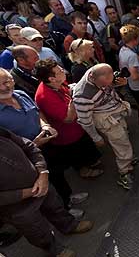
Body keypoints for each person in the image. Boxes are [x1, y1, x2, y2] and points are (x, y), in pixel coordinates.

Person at [0, 127, 93, 257]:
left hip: (41, 183)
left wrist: (43, 172)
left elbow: (29, 146)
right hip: (16, 207)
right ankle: (55, 249)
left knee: (56, 207)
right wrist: (27, 193)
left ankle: (69, 225)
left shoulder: (2, 132)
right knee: (36, 230)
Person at [34, 59, 102, 210]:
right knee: (76, 156)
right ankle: (84, 171)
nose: (63, 71)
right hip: (67, 136)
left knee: (84, 150)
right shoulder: (45, 96)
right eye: (58, 71)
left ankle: (88, 164)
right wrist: (75, 99)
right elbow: (68, 118)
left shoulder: (57, 84)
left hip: (78, 129)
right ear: (51, 78)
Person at [72, 64, 135, 190]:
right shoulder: (82, 96)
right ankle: (125, 172)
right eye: (104, 84)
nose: (107, 86)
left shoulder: (97, 72)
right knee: (121, 144)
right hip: (106, 120)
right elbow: (85, 120)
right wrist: (96, 137)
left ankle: (127, 160)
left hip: (115, 112)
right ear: (92, 77)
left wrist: (120, 83)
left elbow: (108, 88)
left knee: (124, 140)